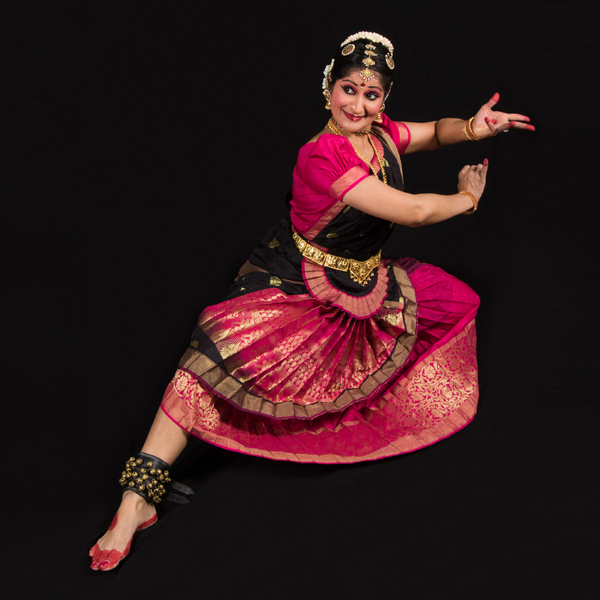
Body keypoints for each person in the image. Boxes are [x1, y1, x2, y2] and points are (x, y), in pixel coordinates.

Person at [89, 31, 534, 571]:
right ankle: (134, 502)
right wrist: (467, 199)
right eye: (349, 89)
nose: (358, 104)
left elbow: (431, 134)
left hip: (365, 284)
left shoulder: (381, 134)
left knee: (453, 302)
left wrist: (470, 127)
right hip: (301, 283)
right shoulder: (321, 155)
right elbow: (413, 212)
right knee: (208, 364)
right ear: (328, 89)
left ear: (383, 102)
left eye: (372, 96)